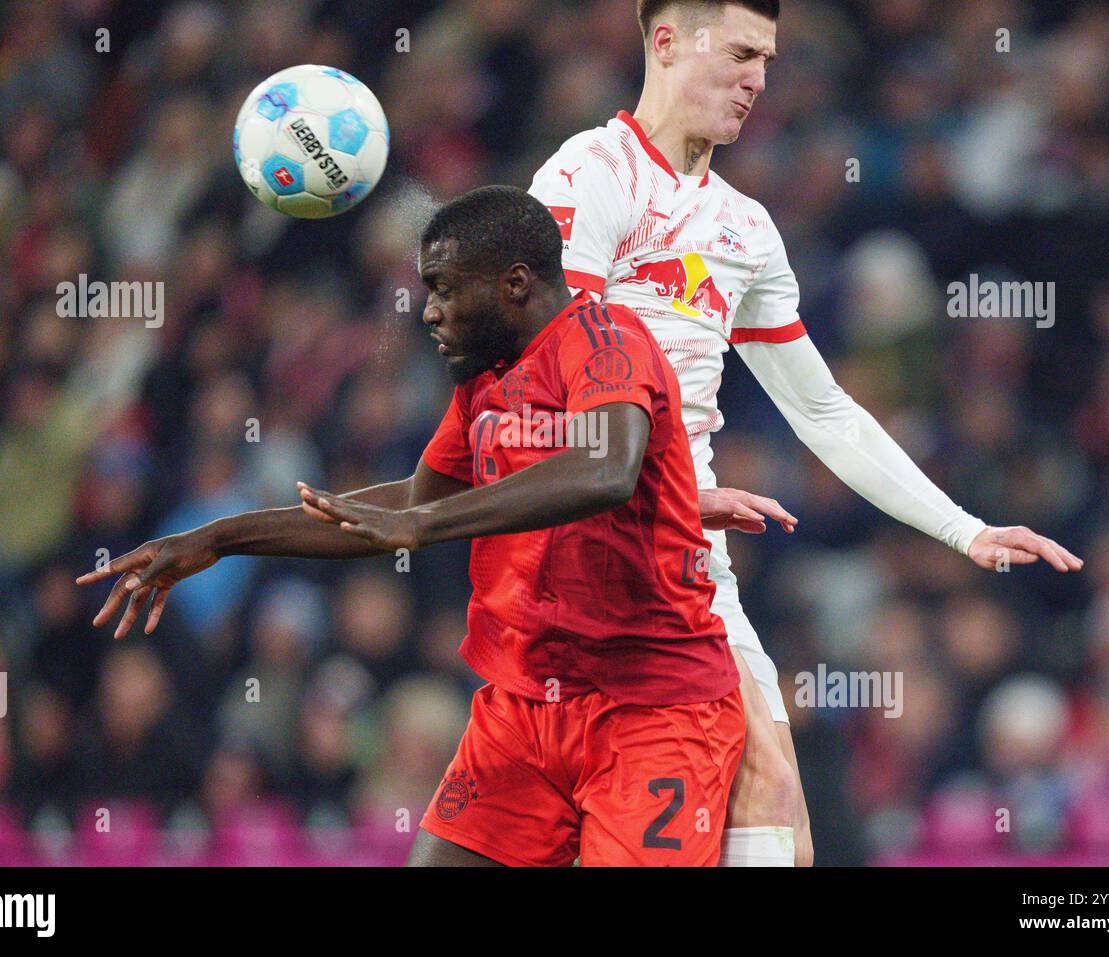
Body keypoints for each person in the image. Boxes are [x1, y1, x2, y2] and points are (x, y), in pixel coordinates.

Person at [527, 0, 1084, 866]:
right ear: (667, 42)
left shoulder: (743, 229)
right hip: (586, 538)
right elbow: (544, 377)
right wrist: (668, 490)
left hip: (686, 553)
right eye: (743, 53)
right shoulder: (586, 176)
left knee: (774, 795)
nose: (758, 80)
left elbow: (822, 411)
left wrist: (964, 529)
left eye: (770, 60)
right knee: (637, 808)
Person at [77, 185, 745, 866]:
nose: (427, 310)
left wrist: (426, 522)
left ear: (514, 283)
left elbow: (605, 470)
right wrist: (220, 537)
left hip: (653, 708)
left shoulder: (607, 340)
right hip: (525, 705)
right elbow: (399, 508)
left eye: (443, 288)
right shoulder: (485, 384)